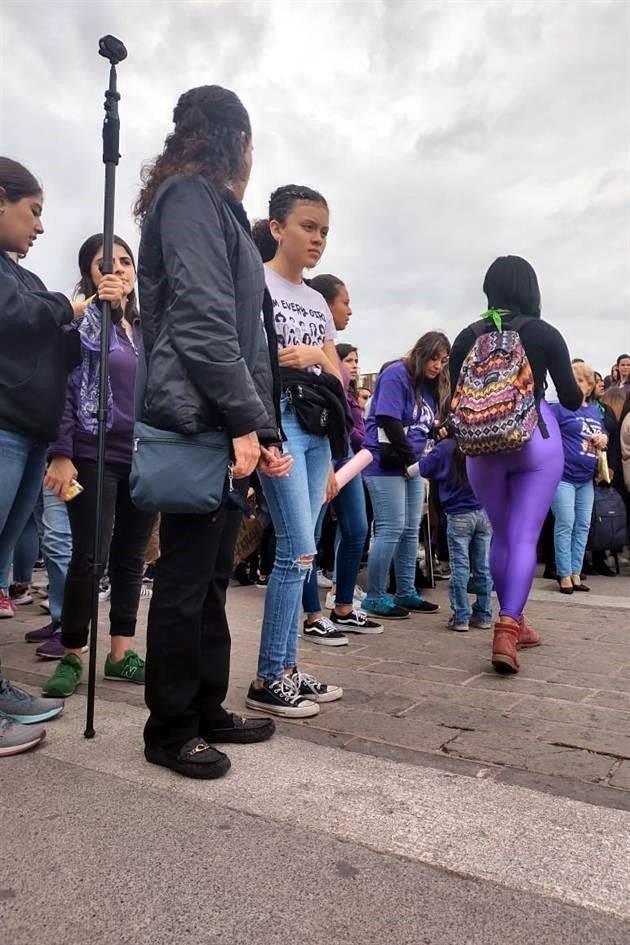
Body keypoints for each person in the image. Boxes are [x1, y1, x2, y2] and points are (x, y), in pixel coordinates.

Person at [135, 85, 290, 779]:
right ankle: (169, 727)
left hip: (224, 416)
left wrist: (261, 423)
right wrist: (242, 417)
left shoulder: (214, 207)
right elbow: (201, 321)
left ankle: (204, 706)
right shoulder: (191, 199)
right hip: (199, 415)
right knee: (186, 574)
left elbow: (245, 334)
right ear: (237, 142)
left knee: (213, 575)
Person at [449, 255, 582, 674]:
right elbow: (574, 399)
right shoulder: (544, 333)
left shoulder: (465, 337)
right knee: (524, 538)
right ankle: (507, 628)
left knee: (502, 536)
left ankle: (514, 621)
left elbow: (458, 399)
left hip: (481, 448)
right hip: (534, 440)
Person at [247, 185, 348, 717]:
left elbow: (338, 375)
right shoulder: (254, 280)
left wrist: (315, 352)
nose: (317, 239)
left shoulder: (314, 301)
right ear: (276, 226)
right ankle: (268, 677)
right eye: (308, 227)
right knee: (294, 549)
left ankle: (285, 667)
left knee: (304, 550)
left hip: (315, 425)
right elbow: (245, 360)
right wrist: (260, 434)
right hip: (278, 420)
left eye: (325, 230)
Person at [40, 234, 156, 695]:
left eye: (126, 261)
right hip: (93, 452)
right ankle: (71, 652)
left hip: (143, 456)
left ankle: (121, 652)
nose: (118, 269)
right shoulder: (82, 326)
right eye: (105, 263)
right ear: (89, 272)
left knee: (131, 559)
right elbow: (65, 389)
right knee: (90, 556)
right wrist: (62, 452)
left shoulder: (146, 329)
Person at [0, 156, 86, 748]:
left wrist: (80, 323)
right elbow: (19, 319)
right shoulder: (21, 288)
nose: (40, 227)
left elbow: (57, 347)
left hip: (29, 432)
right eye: (33, 212)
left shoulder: (22, 275)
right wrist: (67, 307)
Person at [299, 278, 382, 642]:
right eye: (344, 302)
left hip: (344, 447)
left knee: (357, 528)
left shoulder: (332, 350)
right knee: (309, 536)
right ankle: (312, 614)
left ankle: (344, 606)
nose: (349, 310)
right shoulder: (312, 343)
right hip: (321, 446)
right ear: (325, 304)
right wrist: (329, 460)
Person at [361, 333, 447, 620]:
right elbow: (388, 419)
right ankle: (375, 595)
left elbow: (421, 423)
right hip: (387, 463)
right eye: (434, 358)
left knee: (412, 528)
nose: (438, 365)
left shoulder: (427, 386)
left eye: (443, 360)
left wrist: (435, 432)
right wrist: (411, 459)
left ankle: (406, 590)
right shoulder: (397, 374)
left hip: (412, 464)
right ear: (421, 352)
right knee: (391, 527)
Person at [420, 437, 493, 632]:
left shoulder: (445, 448)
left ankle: (461, 616)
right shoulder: (483, 443)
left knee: (460, 566)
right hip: (484, 511)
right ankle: (484, 614)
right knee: (483, 567)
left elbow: (424, 468)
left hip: (458, 513)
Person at [551, 362, 607, 594]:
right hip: (563, 476)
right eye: (573, 380)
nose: (577, 385)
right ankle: (563, 573)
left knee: (583, 525)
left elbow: (604, 435)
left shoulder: (594, 410)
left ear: (590, 386)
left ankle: (576, 572)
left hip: (586, 479)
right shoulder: (559, 408)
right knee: (566, 523)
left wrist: (603, 439)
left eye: (581, 381)